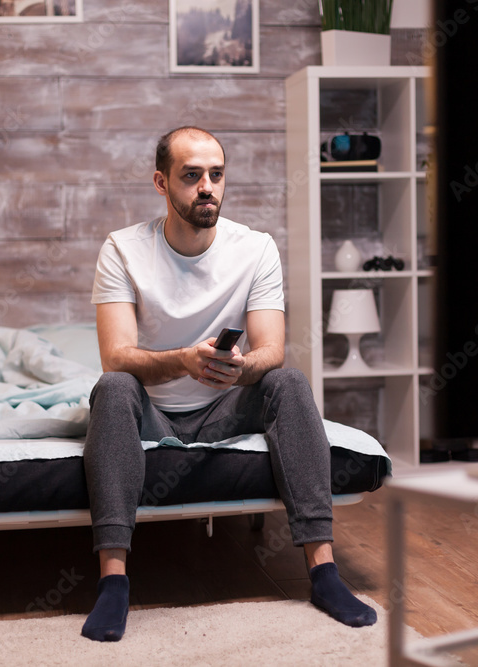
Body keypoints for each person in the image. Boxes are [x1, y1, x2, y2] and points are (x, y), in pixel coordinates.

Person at [81, 126, 377, 642]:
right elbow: (116, 357)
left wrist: (241, 369)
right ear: (161, 182)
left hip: (224, 407)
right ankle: (114, 583)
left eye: (216, 175)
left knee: (287, 379)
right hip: (151, 411)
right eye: (191, 176)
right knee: (112, 389)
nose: (207, 187)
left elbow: (272, 349)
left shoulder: (256, 248)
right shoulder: (122, 249)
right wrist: (181, 362)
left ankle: (324, 572)